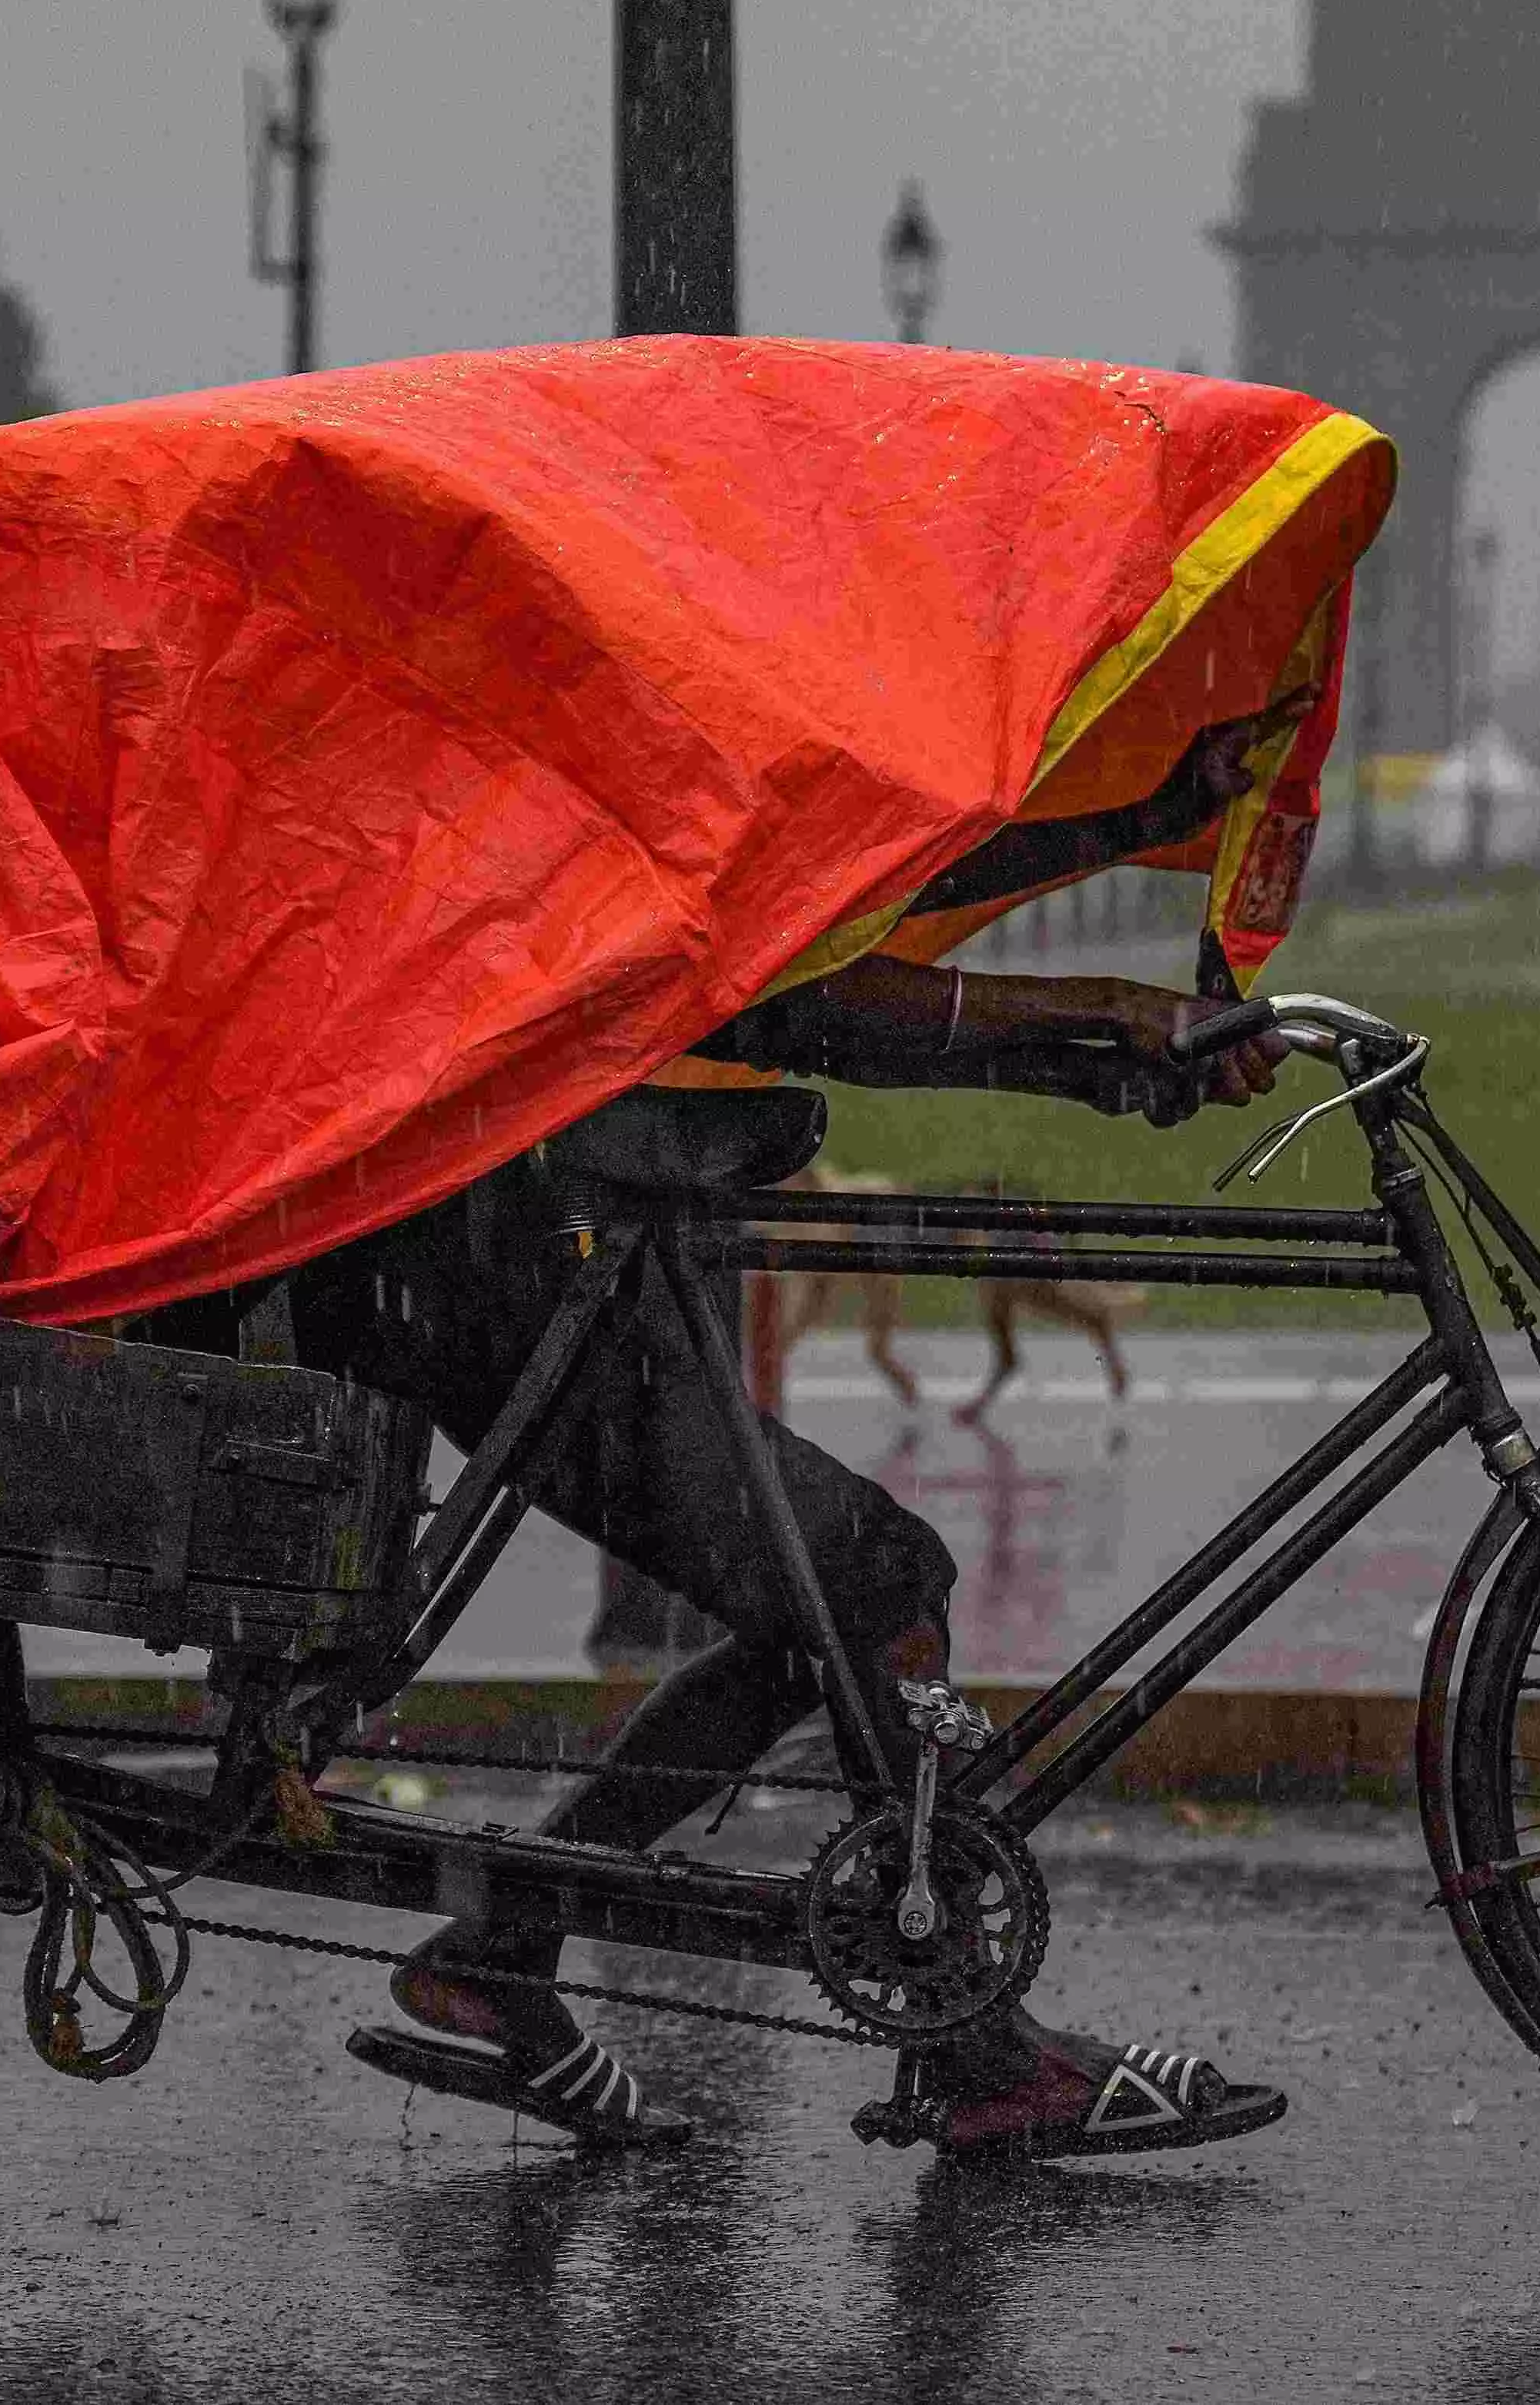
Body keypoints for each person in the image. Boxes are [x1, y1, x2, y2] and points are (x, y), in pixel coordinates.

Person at [287, 709, 1302, 2159]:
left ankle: (504, 1948)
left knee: (831, 1603)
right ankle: (973, 2044)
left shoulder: (636, 733)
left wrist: (1114, 939)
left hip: (497, 1239)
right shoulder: (624, 746)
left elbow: (824, 928)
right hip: (482, 1266)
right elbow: (787, 991)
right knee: (873, 1586)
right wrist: (1107, 1010)